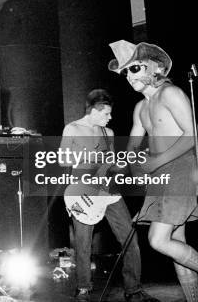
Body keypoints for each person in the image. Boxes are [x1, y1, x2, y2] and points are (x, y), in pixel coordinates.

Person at [108, 40, 198, 302]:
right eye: (124, 72)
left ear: (154, 67)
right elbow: (134, 142)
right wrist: (120, 163)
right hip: (160, 177)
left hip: (180, 169)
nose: (128, 77)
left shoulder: (171, 94)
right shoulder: (141, 107)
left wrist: (155, 163)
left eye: (133, 68)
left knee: (158, 240)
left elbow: (194, 135)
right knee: (175, 243)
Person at [63, 89, 158, 302]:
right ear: (95, 112)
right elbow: (63, 159)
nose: (110, 118)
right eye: (106, 114)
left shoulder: (109, 133)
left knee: (130, 239)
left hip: (108, 191)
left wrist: (122, 165)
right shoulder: (73, 128)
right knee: (83, 243)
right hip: (83, 192)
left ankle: (133, 290)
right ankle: (83, 289)